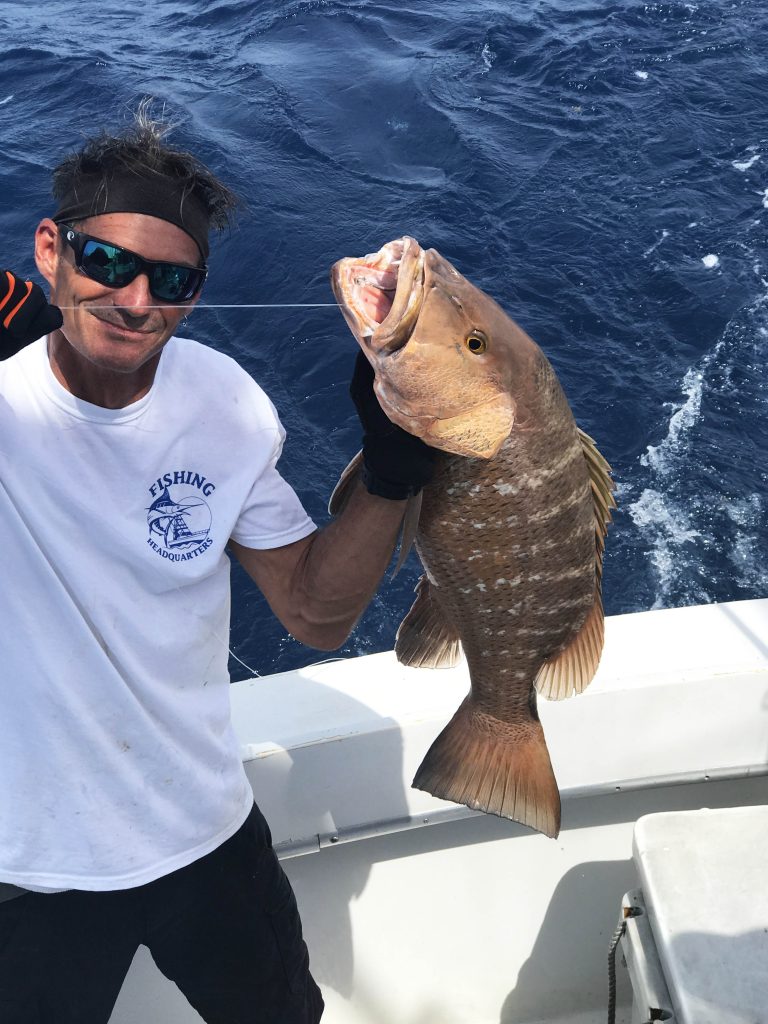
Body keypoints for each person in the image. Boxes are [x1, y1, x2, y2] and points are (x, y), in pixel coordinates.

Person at [0, 109, 435, 1024]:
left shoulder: (226, 402)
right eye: (105, 263)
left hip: (205, 831)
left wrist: (392, 471)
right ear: (50, 251)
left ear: (198, 290)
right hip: (27, 868)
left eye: (171, 279)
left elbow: (316, 614)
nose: (133, 300)